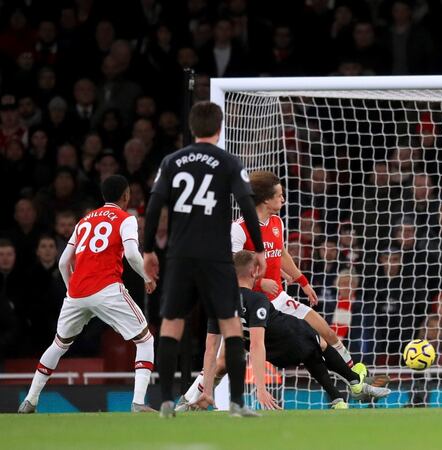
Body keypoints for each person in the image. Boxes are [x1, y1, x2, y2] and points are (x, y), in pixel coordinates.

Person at [142, 101, 266, 418]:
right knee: (231, 327)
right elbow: (247, 205)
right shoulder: (227, 161)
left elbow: (154, 205)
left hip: (181, 255)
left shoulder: (171, 161)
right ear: (220, 127)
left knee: (171, 326)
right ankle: (237, 402)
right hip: (215, 256)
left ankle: (167, 402)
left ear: (193, 127)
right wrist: (260, 249)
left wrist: (148, 250)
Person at [178, 251, 390, 410]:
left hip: (275, 355)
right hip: (285, 336)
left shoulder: (219, 304)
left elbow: (210, 350)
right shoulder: (258, 299)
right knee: (319, 341)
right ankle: (354, 381)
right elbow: (257, 343)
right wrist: (261, 389)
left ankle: (338, 399)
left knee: (312, 351)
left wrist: (206, 390)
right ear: (253, 272)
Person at [19, 175, 156, 413]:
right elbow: (133, 255)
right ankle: (138, 403)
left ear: (104, 196)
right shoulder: (126, 219)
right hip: (107, 288)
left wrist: (72, 289)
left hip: (77, 293)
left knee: (58, 344)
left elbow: (64, 262)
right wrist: (147, 277)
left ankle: (30, 400)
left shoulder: (84, 221)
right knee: (145, 339)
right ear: (126, 196)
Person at [228, 171, 359, 370]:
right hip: (249, 305)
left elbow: (279, 253)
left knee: (326, 332)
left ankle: (356, 374)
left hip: (278, 297)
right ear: (265, 200)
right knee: (222, 361)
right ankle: (190, 397)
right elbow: (230, 270)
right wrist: (260, 282)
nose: (283, 198)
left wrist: (302, 281)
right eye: (279, 194)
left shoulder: (276, 223)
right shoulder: (239, 228)